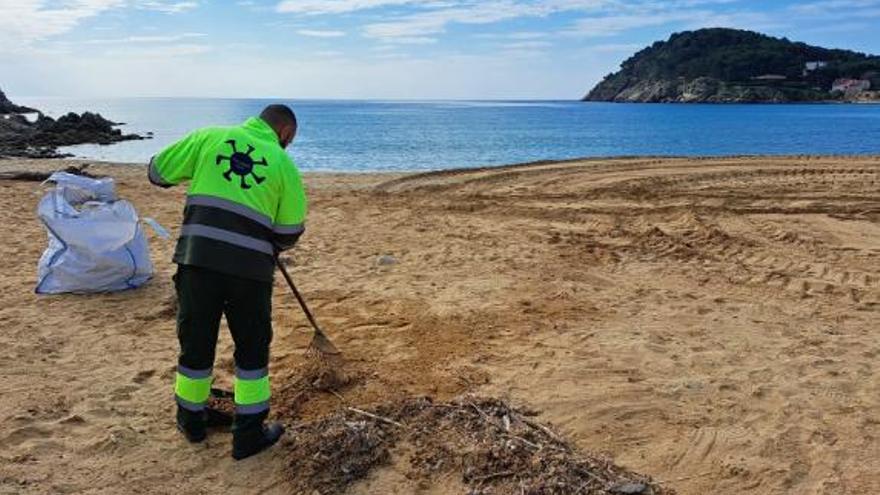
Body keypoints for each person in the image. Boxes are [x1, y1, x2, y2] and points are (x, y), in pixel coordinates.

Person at [148, 104, 307, 460]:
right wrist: (271, 239)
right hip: (249, 273)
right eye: (290, 141)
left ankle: (191, 420)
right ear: (284, 133)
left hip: (197, 263)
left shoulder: (209, 137)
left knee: (196, 342)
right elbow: (289, 231)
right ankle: (247, 436)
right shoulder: (283, 165)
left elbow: (157, 173)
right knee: (251, 350)